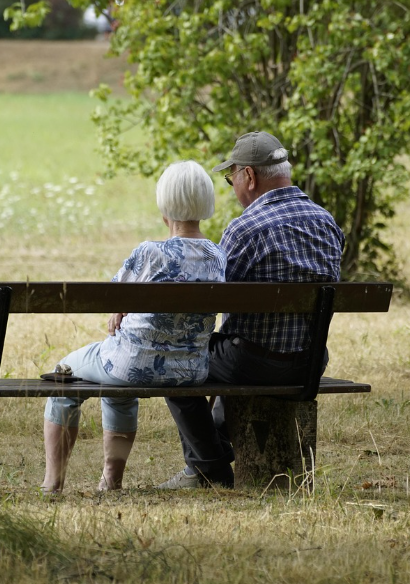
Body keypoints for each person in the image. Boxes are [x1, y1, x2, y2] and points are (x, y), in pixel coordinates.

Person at [158, 131, 346, 490]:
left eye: (231, 180)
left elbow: (212, 301)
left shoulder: (245, 229)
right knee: (231, 349)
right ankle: (213, 451)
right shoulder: (327, 223)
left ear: (249, 176)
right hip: (309, 362)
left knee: (175, 360)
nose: (233, 188)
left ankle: (209, 468)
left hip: (253, 363)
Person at [41, 161, 227, 494]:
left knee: (63, 375)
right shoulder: (218, 256)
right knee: (116, 383)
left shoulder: (149, 253)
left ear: (164, 205)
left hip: (132, 365)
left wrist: (119, 310)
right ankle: (110, 480)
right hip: (190, 371)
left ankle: (53, 483)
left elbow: (112, 297)